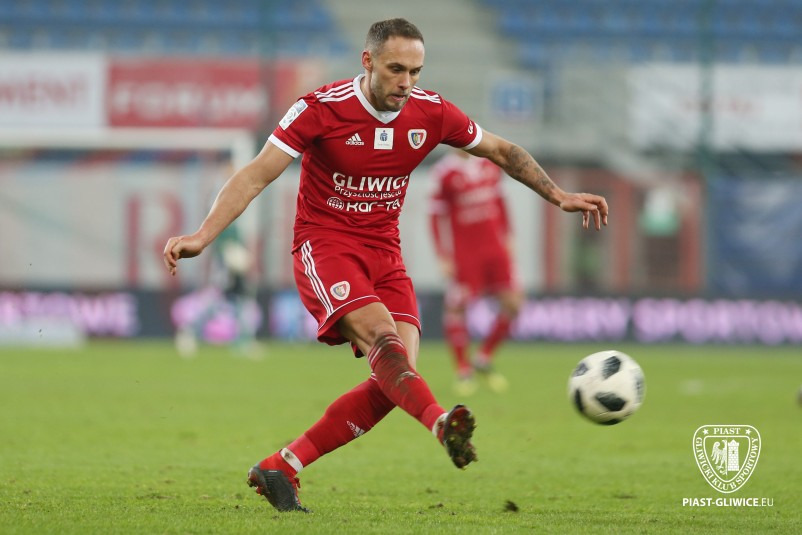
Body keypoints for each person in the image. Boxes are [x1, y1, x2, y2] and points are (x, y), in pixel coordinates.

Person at [163, 18, 608, 513]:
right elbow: (254, 175)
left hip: (385, 254)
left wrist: (559, 195)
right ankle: (441, 423)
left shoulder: (431, 112)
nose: (406, 82)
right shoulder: (320, 108)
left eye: (415, 71)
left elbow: (502, 150)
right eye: (396, 69)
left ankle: (282, 466)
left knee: (396, 379)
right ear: (368, 61)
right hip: (326, 247)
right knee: (384, 340)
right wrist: (203, 235)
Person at [429, 150, 523, 395]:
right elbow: (435, 216)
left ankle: (483, 358)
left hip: (495, 249)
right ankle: (463, 370)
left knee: (513, 304)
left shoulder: (489, 164)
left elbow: (500, 202)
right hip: (466, 253)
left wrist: (509, 236)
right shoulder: (444, 172)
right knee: (457, 308)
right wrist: (442, 255)